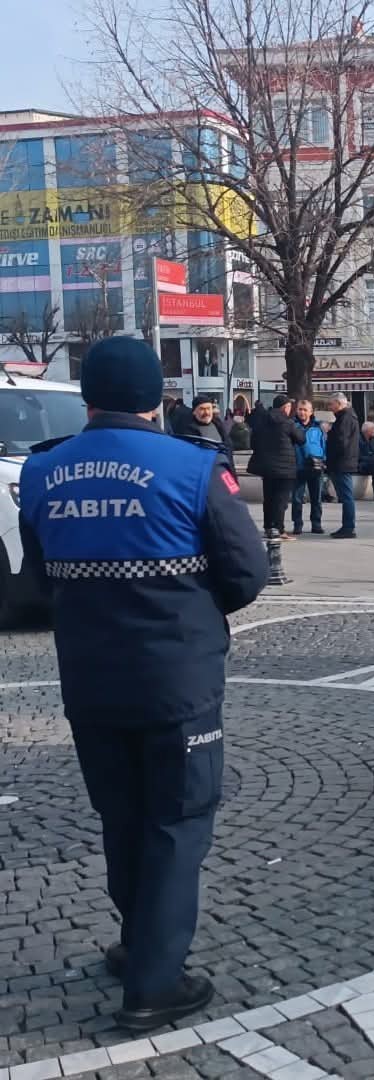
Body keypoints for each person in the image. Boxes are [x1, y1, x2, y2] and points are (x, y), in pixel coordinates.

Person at [18, 338, 268, 1031]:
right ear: (156, 397)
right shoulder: (192, 467)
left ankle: (136, 946)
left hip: (90, 678)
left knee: (122, 816)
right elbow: (246, 575)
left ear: (88, 397)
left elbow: (40, 578)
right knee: (178, 821)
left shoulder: (43, 472)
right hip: (176, 680)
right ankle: (155, 984)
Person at [246, 395, 305, 538]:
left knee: (269, 498)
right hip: (284, 468)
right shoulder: (287, 422)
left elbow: (253, 442)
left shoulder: (261, 422)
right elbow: (301, 439)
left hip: (266, 467)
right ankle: (279, 529)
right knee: (281, 499)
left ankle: (268, 527)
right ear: (285, 407)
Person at [326, 392, 359, 538]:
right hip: (344, 461)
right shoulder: (347, 417)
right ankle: (347, 526)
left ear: (339, 404)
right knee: (345, 496)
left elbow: (341, 442)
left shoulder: (345, 418)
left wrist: (329, 435)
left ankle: (348, 527)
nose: (329, 407)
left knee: (346, 496)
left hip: (342, 462)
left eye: (331, 404)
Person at [291, 399, 325, 535]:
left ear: (311, 412)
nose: (302, 412)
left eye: (305, 410)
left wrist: (324, 461)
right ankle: (297, 524)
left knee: (316, 498)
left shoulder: (318, 428)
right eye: (300, 409)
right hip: (298, 467)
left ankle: (316, 524)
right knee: (297, 498)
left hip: (316, 467)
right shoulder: (292, 426)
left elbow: (323, 446)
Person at [171, 395, 233, 462]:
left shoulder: (218, 425)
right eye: (202, 409)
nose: (206, 412)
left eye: (208, 408)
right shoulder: (189, 431)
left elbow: (228, 447)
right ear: (194, 412)